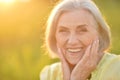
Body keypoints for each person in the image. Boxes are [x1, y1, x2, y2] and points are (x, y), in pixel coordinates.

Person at [40, 0, 120, 80]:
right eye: (63, 30)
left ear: (99, 33)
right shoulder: (50, 74)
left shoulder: (117, 68)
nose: (72, 41)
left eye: (82, 30)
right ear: (54, 35)